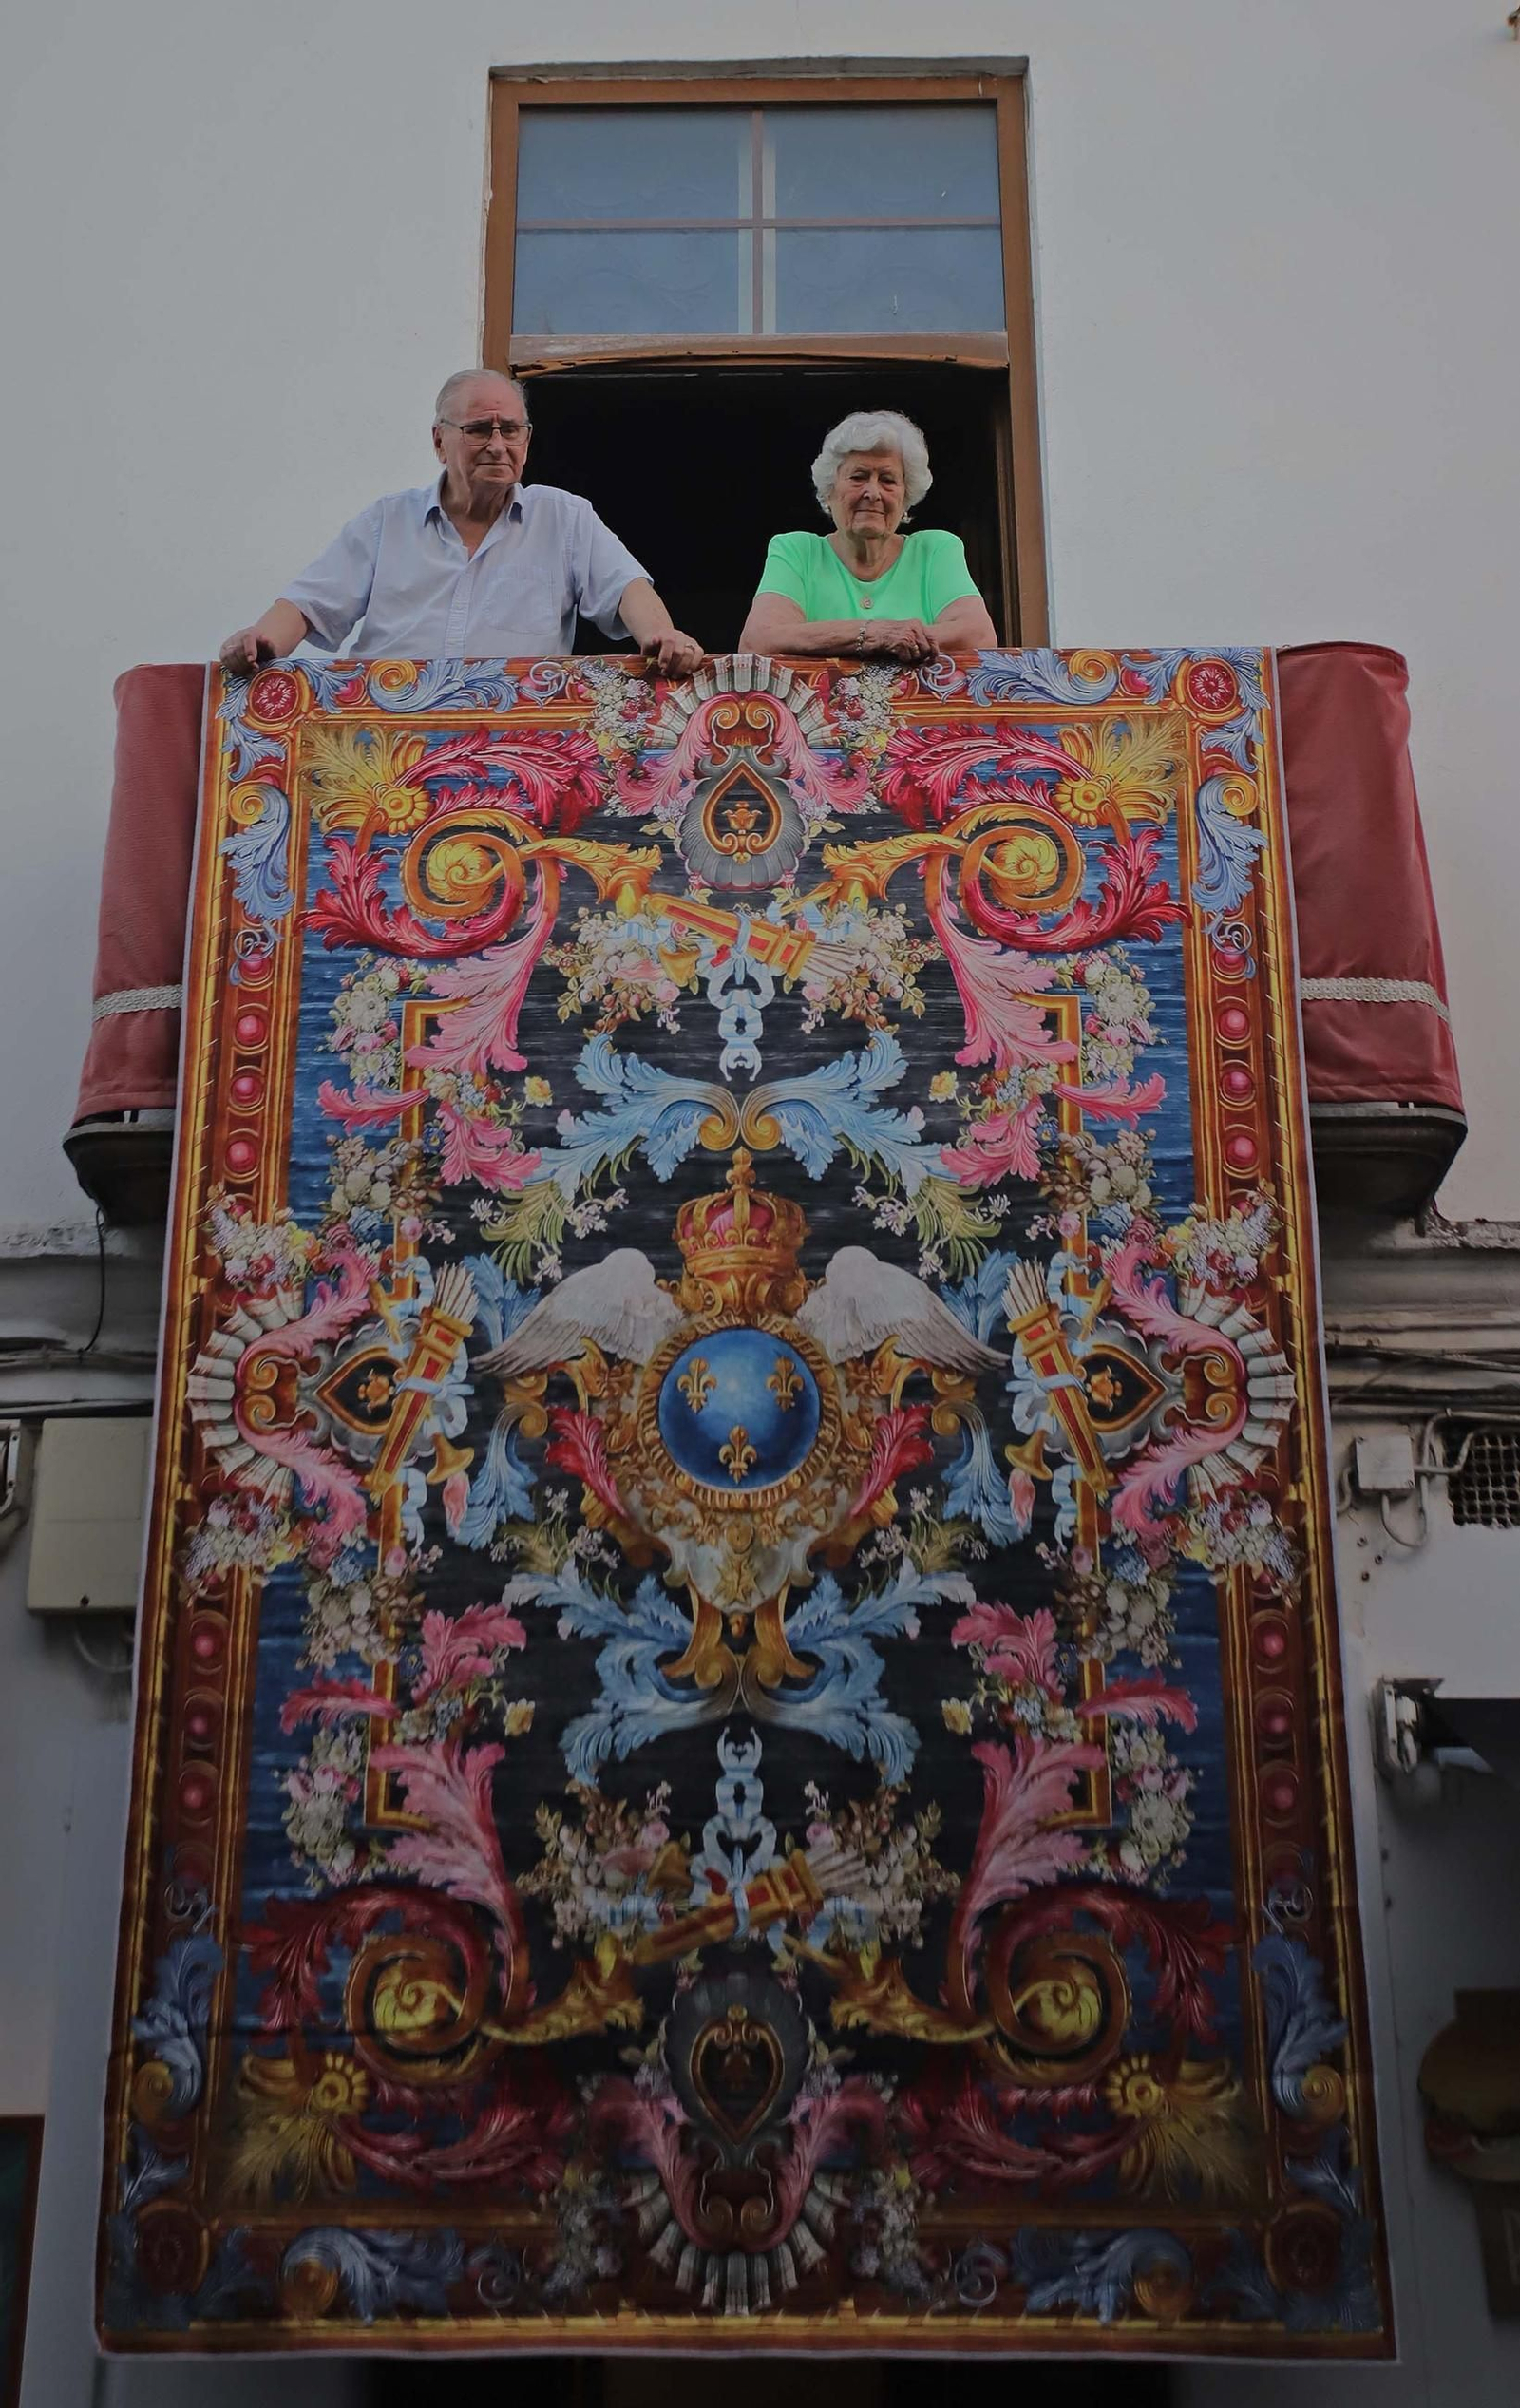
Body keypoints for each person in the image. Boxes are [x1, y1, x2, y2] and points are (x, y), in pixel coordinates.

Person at [219, 370, 703, 674]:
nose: (497, 445)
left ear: (527, 440)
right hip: (386, 741)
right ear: (439, 441)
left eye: (510, 430)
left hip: (515, 745)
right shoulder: (388, 521)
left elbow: (625, 588)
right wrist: (262, 642)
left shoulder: (564, 517)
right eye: (478, 430)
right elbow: (308, 604)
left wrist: (660, 636)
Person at [738, 409, 998, 664]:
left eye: (888, 480)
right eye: (858, 477)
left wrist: (897, 638)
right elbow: (758, 641)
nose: (873, 493)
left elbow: (979, 636)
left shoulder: (935, 550)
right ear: (829, 491)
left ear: (905, 497)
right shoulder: (796, 551)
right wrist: (872, 635)